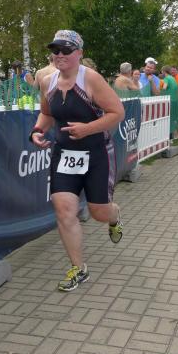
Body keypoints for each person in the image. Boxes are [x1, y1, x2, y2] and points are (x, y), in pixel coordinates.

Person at [30, 30, 125, 292]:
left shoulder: (90, 78)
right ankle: (78, 268)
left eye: (66, 50)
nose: (60, 55)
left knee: (99, 213)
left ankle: (114, 215)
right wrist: (37, 131)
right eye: (55, 50)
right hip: (64, 154)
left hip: (96, 152)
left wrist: (87, 129)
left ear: (79, 53)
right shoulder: (47, 82)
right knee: (63, 209)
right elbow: (46, 114)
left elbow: (117, 112)